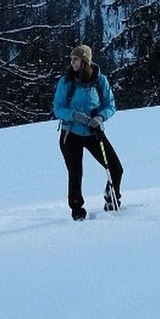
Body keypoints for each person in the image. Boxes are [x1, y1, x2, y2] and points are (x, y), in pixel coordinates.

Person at [53, 43, 123, 219]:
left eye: (75, 59)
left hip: (93, 132)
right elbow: (58, 108)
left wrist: (100, 117)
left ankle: (112, 196)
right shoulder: (66, 82)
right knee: (75, 172)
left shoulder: (100, 81)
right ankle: (77, 210)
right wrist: (74, 115)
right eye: (71, 59)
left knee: (116, 167)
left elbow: (110, 104)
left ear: (85, 61)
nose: (72, 63)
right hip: (71, 134)